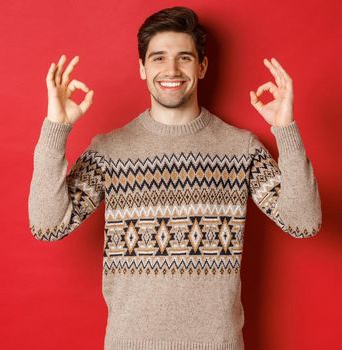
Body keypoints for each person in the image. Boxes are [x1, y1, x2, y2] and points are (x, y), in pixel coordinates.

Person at [27, 6, 321, 349]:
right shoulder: (110, 150)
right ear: (141, 67)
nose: (171, 70)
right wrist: (56, 128)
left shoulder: (239, 148)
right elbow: (47, 226)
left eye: (184, 57)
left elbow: (304, 222)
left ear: (202, 66)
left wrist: (285, 130)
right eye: (158, 58)